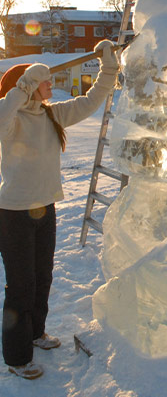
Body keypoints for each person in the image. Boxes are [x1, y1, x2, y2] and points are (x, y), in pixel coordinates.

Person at [0, 40, 119, 380]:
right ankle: (17, 357)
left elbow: (90, 101)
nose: (50, 82)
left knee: (42, 278)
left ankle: (36, 333)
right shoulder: (10, 119)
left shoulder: (50, 114)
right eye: (43, 79)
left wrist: (108, 69)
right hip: (13, 214)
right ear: (26, 87)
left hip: (44, 209)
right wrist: (21, 88)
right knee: (21, 286)